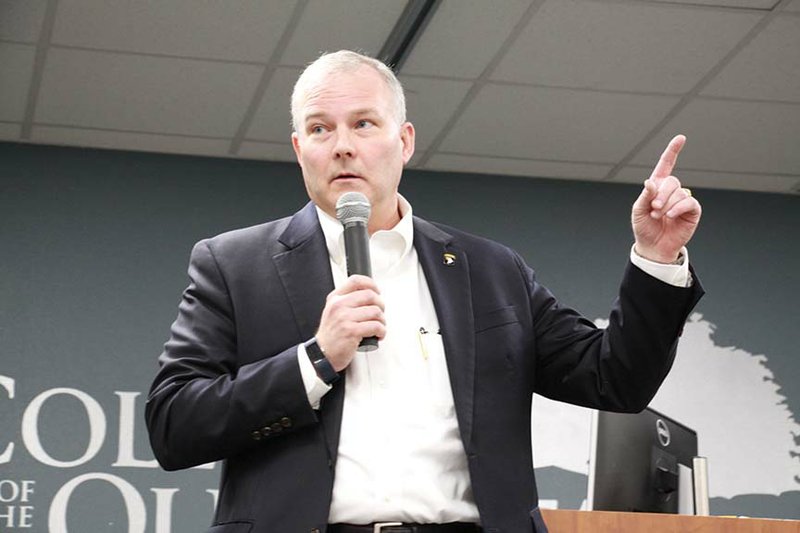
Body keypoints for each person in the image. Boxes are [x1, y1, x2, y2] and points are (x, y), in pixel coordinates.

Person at [145, 50, 704, 533]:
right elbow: (173, 425)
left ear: (404, 140)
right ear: (299, 148)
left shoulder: (491, 270)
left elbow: (615, 378)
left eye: (364, 124)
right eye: (320, 129)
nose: (342, 146)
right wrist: (313, 361)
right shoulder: (234, 264)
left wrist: (655, 259)